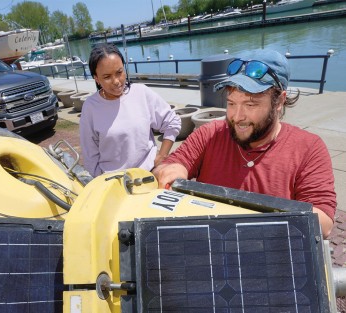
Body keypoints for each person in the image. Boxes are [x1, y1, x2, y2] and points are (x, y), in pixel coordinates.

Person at [153, 49, 336, 238]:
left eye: (250, 105)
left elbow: (323, 223)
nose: (237, 117)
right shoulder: (210, 134)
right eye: (231, 103)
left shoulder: (309, 148)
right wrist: (172, 170)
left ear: (279, 101)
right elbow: (167, 167)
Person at [79, 43, 181, 177]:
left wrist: (162, 155)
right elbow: (90, 155)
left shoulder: (141, 93)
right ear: (96, 78)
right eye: (107, 77)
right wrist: (101, 181)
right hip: (114, 183)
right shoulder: (90, 107)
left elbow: (172, 121)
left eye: (119, 72)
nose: (116, 81)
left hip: (149, 175)